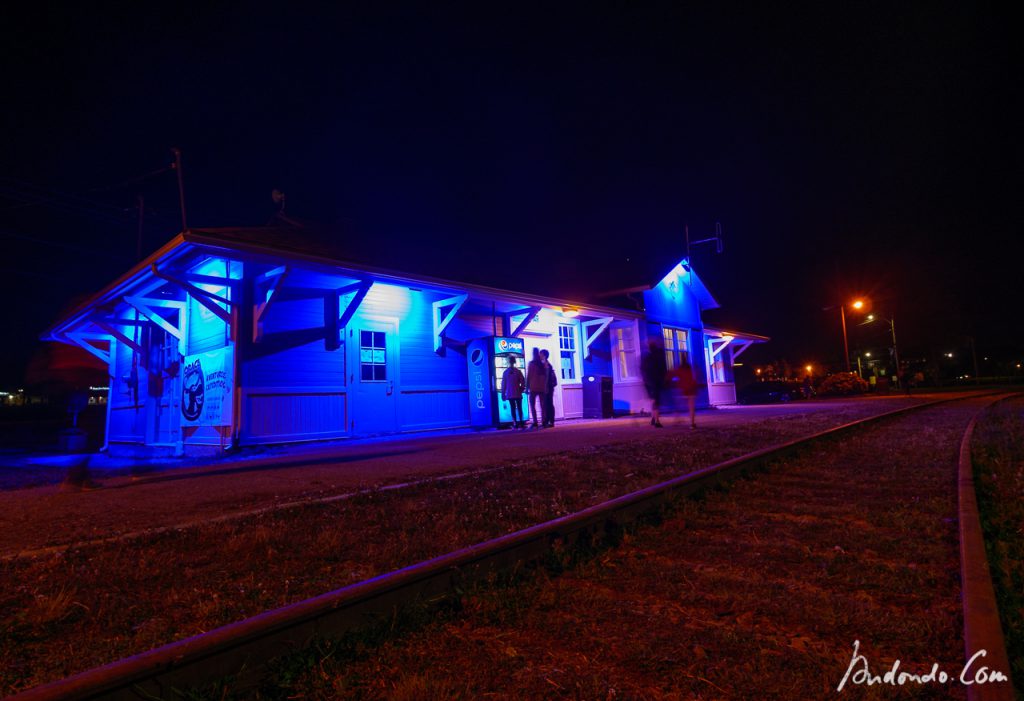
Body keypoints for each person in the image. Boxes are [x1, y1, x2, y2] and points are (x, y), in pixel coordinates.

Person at [640, 337, 667, 428]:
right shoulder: (658, 356)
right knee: (656, 400)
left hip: (648, 381)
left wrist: (645, 379)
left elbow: (642, 368)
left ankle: (653, 418)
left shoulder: (647, 357)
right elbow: (662, 369)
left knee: (653, 400)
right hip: (655, 381)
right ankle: (657, 421)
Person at [501, 356, 526, 429]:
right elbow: (523, 381)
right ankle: (521, 422)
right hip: (517, 392)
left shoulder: (505, 372)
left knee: (513, 408)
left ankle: (515, 423)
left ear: (508, 362)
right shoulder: (518, 371)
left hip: (510, 393)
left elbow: (504, 384)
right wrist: (521, 389)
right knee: (519, 408)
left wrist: (503, 393)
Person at [526, 347, 547, 429]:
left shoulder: (531, 364)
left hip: (533, 387)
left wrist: (527, 387)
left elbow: (529, 376)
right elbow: (544, 376)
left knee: (532, 405)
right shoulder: (542, 364)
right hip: (541, 387)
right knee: (542, 405)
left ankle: (535, 422)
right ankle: (544, 421)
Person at [677, 356, 698, 429]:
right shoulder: (690, 368)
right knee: (691, 407)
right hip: (691, 389)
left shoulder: (679, 368)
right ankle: (692, 423)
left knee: (682, 405)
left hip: (684, 389)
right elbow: (693, 378)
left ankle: (678, 419)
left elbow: (678, 378)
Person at [541, 349, 558, 427]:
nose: (539, 355)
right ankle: (550, 420)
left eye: (540, 354)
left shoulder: (546, 365)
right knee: (549, 403)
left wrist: (545, 387)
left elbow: (546, 377)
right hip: (549, 387)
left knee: (548, 404)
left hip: (547, 387)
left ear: (544, 355)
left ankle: (549, 420)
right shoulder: (547, 364)